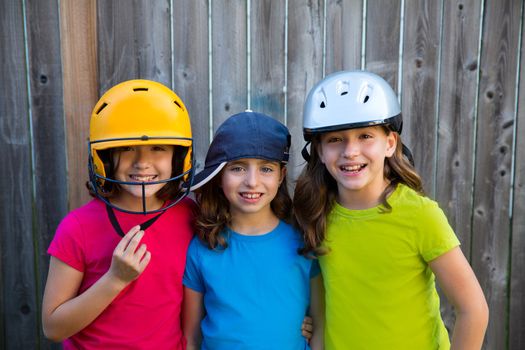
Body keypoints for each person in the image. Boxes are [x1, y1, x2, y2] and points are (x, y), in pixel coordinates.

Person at [293, 70, 489, 350]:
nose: (350, 151)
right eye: (335, 139)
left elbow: (473, 309)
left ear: (389, 143)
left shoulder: (420, 216)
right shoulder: (317, 214)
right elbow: (324, 305)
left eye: (364, 136)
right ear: (320, 152)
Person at [42, 79, 196, 349]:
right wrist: (116, 279)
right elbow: (53, 327)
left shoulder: (189, 216)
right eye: (126, 148)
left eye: (158, 148)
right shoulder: (78, 227)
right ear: (104, 157)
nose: (142, 162)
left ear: (179, 157)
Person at [182, 111, 324, 349]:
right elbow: (191, 338)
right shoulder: (203, 247)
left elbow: (319, 328)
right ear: (219, 176)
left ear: (281, 176)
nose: (252, 181)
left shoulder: (304, 244)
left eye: (266, 169)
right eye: (238, 168)